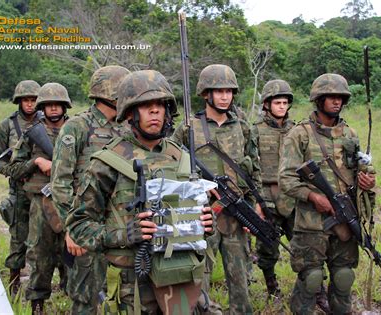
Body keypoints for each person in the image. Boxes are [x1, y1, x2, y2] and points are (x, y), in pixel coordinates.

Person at [66, 70, 214, 314]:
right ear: (130, 113)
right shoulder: (107, 162)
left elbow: (198, 216)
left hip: (180, 276)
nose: (154, 111)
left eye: (159, 105)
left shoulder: (182, 158)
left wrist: (207, 224)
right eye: (145, 106)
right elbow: (79, 225)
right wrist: (123, 235)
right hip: (130, 285)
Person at [279, 73, 376, 314]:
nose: (337, 102)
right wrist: (313, 197)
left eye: (341, 97)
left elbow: (359, 169)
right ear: (319, 99)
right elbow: (286, 178)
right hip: (311, 224)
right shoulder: (300, 134)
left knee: (343, 278)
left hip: (344, 220)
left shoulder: (350, 134)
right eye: (331, 97)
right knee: (311, 280)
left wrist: (367, 180)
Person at [172, 64, 262, 314]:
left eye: (229, 91)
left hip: (236, 213)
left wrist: (256, 205)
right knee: (199, 275)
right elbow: (171, 166)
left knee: (240, 276)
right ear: (205, 94)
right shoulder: (188, 128)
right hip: (201, 215)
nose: (225, 96)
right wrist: (198, 186)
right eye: (218, 91)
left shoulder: (243, 127)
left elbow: (254, 169)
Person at [51, 65, 130, 314]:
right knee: (86, 299)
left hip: (121, 227)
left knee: (125, 296)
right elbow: (60, 183)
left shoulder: (128, 128)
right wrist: (72, 229)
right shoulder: (77, 127)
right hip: (86, 227)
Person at [9, 83, 71, 313]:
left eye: (58, 104)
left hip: (70, 201)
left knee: (73, 250)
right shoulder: (32, 134)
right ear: (42, 107)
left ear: (65, 106)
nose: (53, 109)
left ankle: (74, 295)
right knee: (39, 252)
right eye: (48, 105)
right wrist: (35, 162)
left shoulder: (76, 130)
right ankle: (37, 302)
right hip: (41, 203)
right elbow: (13, 169)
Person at [0, 80, 41, 295]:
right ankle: (14, 282)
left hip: (43, 188)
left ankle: (47, 283)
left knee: (46, 237)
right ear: (19, 101)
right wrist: (14, 171)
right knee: (18, 236)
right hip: (19, 189)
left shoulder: (49, 121)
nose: (30, 104)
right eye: (25, 100)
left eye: (33, 100)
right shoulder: (7, 125)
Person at [252, 79, 295, 299]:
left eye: (285, 102)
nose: (282, 106)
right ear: (267, 104)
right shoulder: (255, 131)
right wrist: (256, 199)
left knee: (303, 242)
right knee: (267, 246)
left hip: (292, 193)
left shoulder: (297, 130)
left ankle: (314, 288)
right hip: (266, 194)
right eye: (277, 102)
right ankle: (271, 285)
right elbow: (249, 164)